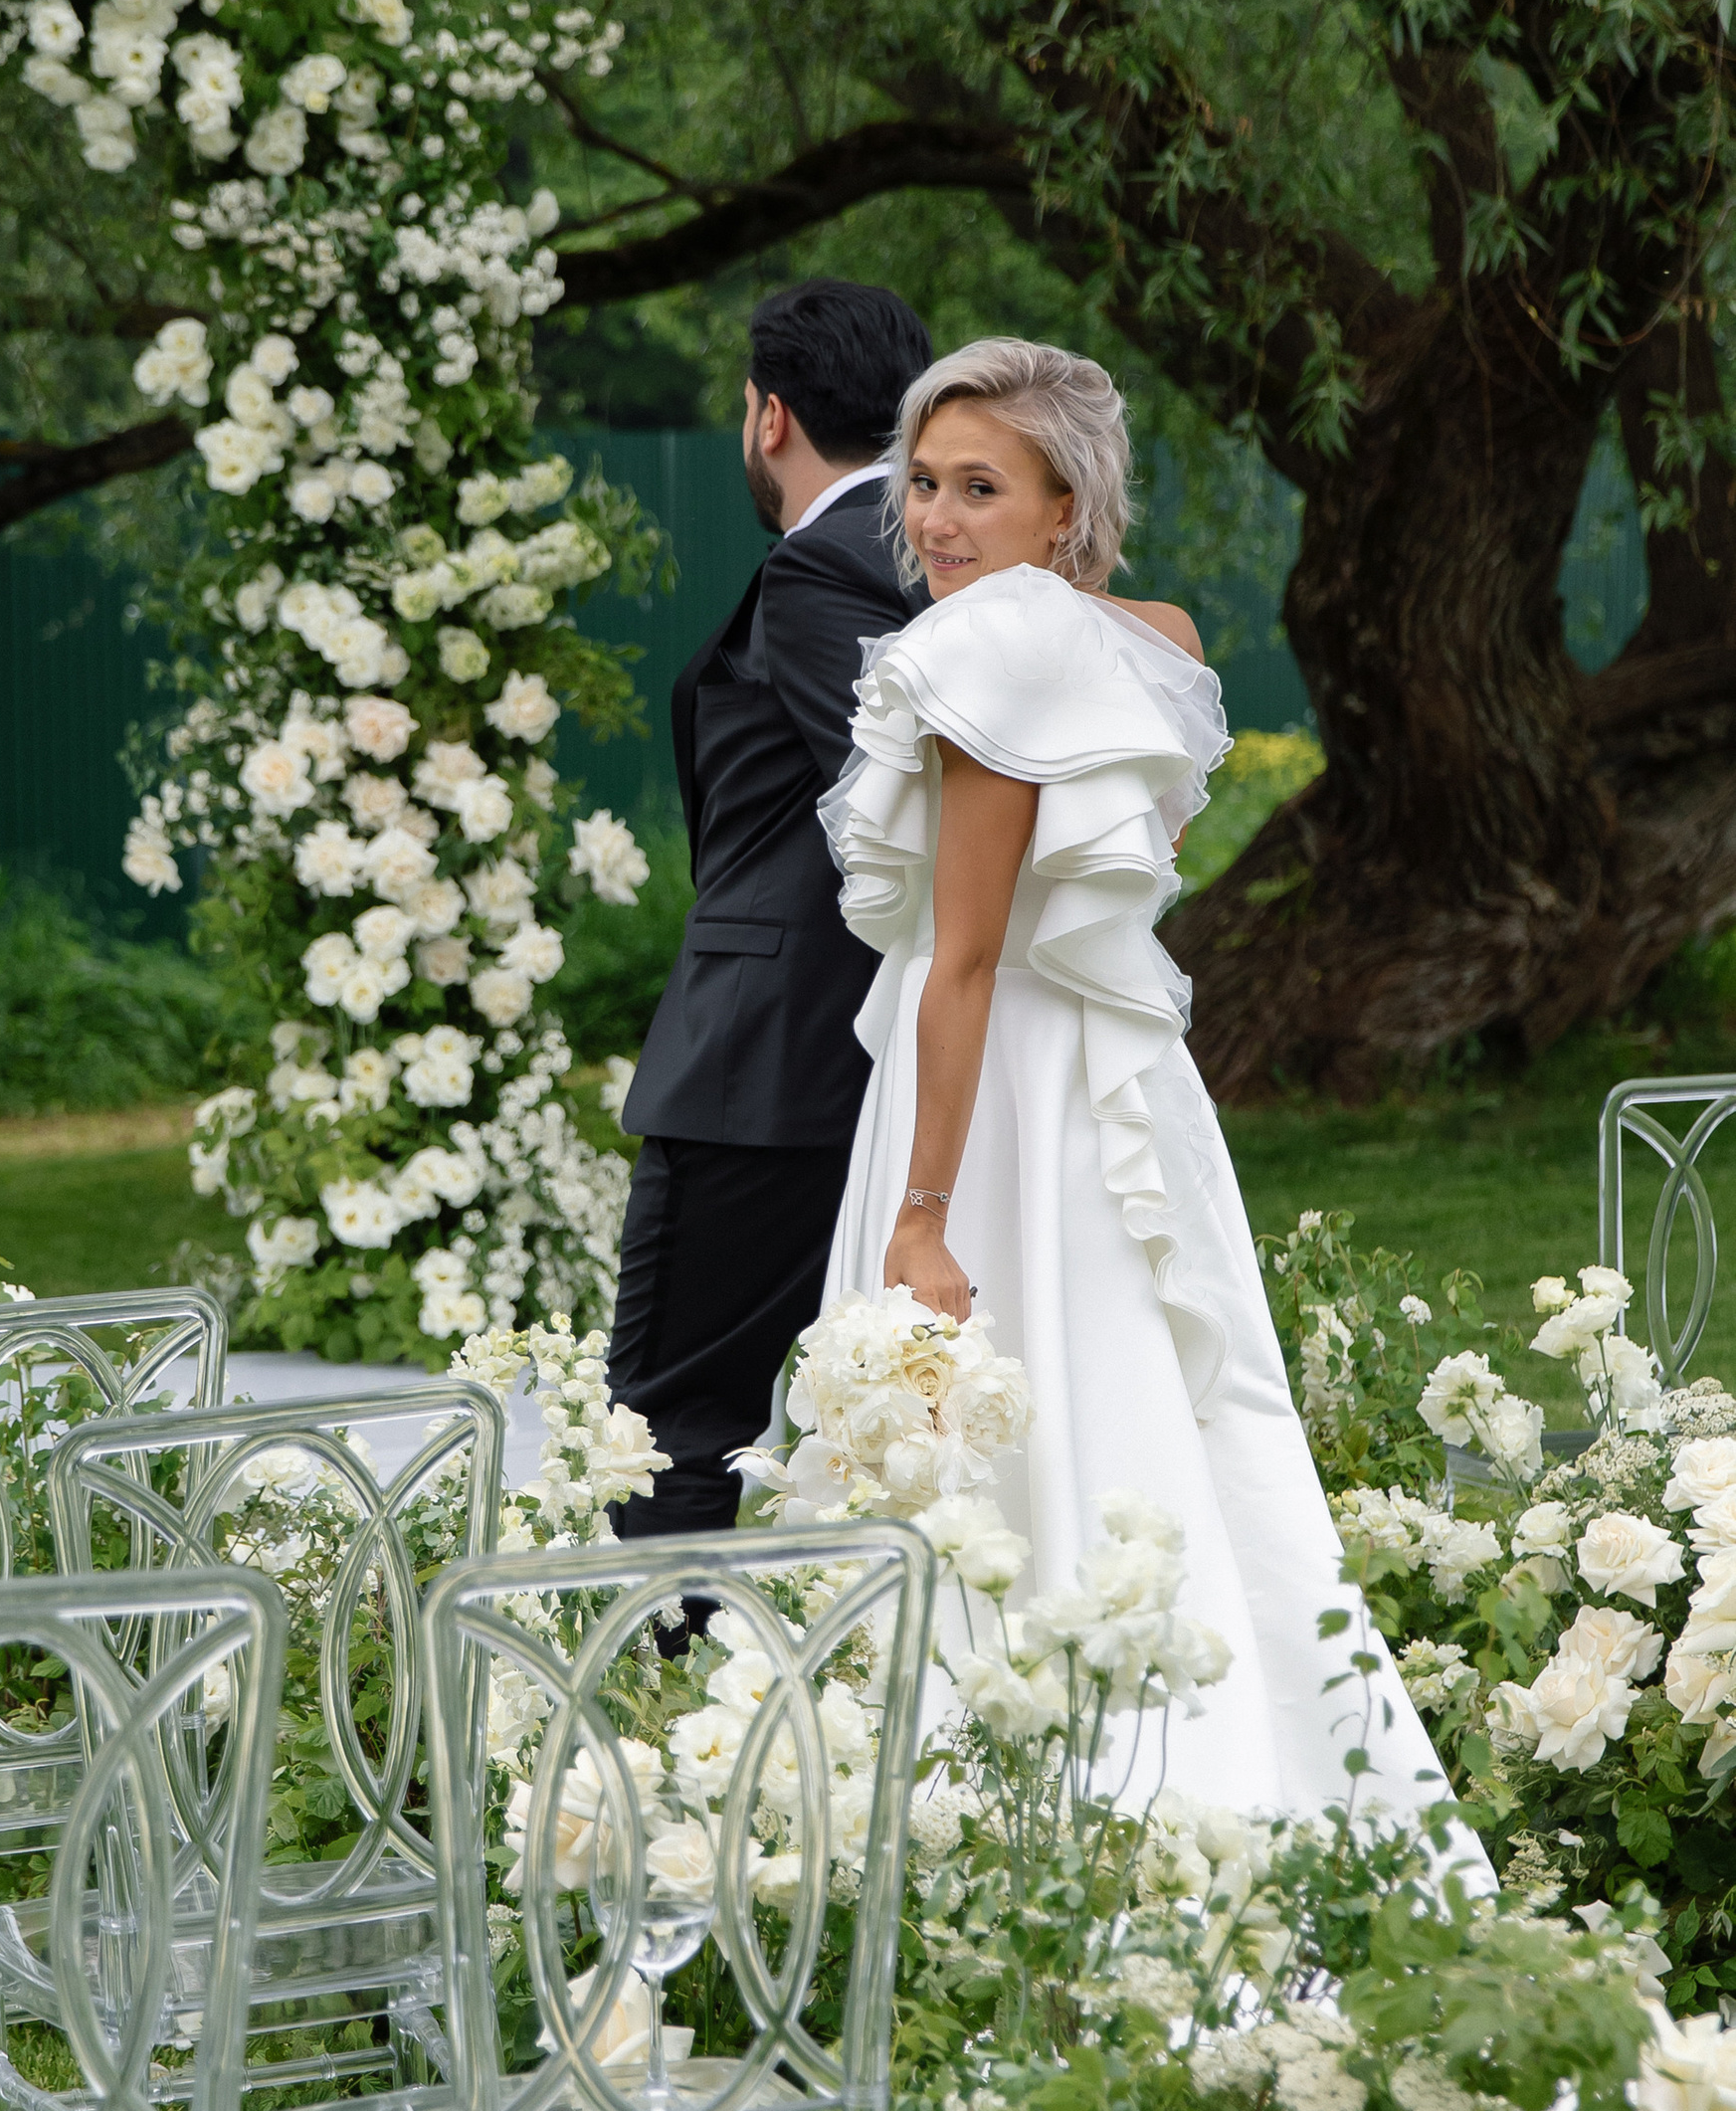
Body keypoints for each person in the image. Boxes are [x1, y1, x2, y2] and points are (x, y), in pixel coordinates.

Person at [819, 335, 1456, 1829]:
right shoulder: (1144, 638)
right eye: (921, 485)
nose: (936, 521)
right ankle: (1278, 1777)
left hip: (996, 1104)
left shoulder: (991, 652)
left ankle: (1028, 1798)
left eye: (982, 488)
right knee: (1170, 1410)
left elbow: (964, 964)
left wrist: (920, 1213)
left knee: (1001, 1425)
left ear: (1066, 507)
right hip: (1125, 1088)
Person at [609, 278, 931, 1537]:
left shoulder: (819, 570)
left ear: (769, 419)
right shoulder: (944, 560)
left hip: (761, 1074)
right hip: (874, 1057)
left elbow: (894, 801)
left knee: (666, 1424)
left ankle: (653, 1709)